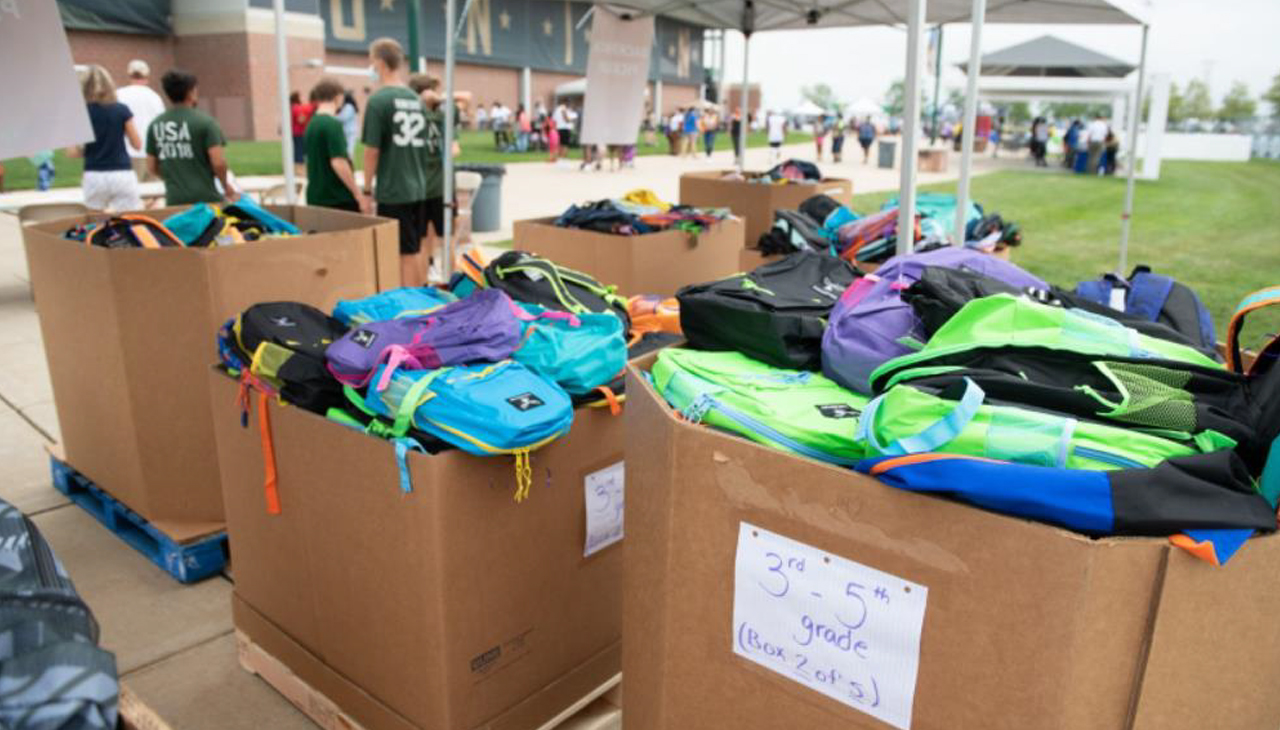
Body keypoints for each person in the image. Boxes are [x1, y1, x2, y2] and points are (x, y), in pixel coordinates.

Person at [362, 38, 437, 287]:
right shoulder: (416, 99)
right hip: (418, 185)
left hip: (395, 189)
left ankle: (410, 306)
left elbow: (372, 150)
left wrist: (367, 189)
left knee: (404, 254)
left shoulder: (379, 101)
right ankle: (419, 294)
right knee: (414, 249)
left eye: (372, 62)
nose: (371, 67)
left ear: (381, 63)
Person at [146, 69, 235, 205]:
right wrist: (225, 185)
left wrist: (175, 179)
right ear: (190, 92)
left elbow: (152, 166)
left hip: (174, 199)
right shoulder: (206, 123)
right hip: (207, 198)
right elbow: (218, 162)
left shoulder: (155, 125)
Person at [69, 65, 143, 211]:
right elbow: (137, 144)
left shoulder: (80, 112)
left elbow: (72, 153)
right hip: (121, 172)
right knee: (129, 220)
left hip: (94, 173)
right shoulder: (121, 109)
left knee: (95, 222)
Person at [304, 78, 369, 214]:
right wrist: (358, 194)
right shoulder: (332, 125)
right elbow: (338, 162)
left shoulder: (312, 124)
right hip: (337, 199)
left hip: (316, 196)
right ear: (338, 97)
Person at [115, 59, 165, 184]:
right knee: (153, 196)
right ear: (147, 75)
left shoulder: (119, 94)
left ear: (129, 74)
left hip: (127, 153)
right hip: (151, 153)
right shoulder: (155, 97)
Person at [290, 91, 315, 174]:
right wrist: (309, 119)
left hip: (294, 132)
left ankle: (296, 169)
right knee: (301, 151)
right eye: (301, 96)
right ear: (297, 98)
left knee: (297, 150)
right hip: (300, 132)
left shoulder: (291, 107)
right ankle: (300, 171)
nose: (303, 98)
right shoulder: (297, 107)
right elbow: (300, 120)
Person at [336, 91, 360, 158]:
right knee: (346, 151)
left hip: (350, 132)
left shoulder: (349, 107)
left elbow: (343, 118)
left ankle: (349, 165)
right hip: (347, 132)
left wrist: (332, 117)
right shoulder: (346, 107)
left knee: (349, 151)